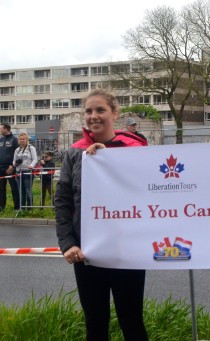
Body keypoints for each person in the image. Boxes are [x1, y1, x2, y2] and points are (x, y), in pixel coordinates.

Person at [55, 89, 148, 341]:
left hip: (127, 250)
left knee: (132, 320)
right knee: (95, 322)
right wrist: (68, 243)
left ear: (114, 114)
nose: (93, 116)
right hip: (87, 252)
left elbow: (147, 192)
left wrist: (106, 158)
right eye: (88, 111)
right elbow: (63, 202)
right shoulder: (75, 153)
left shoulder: (134, 148)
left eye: (100, 110)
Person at [13, 132, 37, 209]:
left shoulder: (31, 148)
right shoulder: (17, 149)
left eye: (24, 139)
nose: (22, 140)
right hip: (19, 172)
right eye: (20, 139)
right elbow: (13, 162)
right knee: (21, 191)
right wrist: (16, 163)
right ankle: (22, 208)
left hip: (27, 172)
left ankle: (30, 209)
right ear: (18, 140)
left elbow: (35, 159)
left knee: (28, 191)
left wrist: (31, 166)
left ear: (27, 140)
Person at [0, 123, 20, 211]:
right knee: (1, 188)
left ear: (6, 129)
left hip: (10, 168)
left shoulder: (14, 140)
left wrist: (13, 166)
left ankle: (17, 207)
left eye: (1, 128)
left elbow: (19, 154)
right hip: (1, 167)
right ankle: (2, 207)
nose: (0, 130)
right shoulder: (1, 139)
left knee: (13, 187)